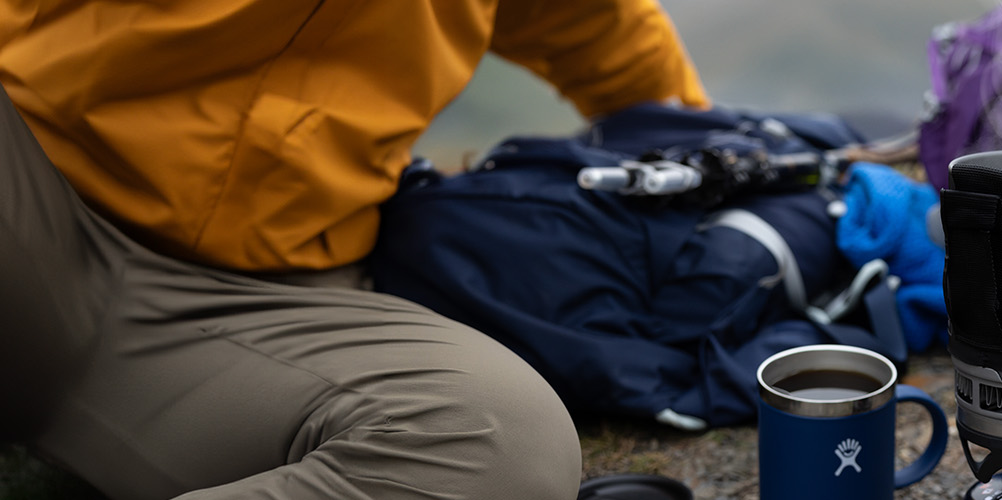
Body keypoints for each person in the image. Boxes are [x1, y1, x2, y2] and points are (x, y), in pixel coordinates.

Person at [0, 0, 711, 498]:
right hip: (34, 198)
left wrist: (721, 168)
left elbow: (607, 37)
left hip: (250, 316)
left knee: (503, 442)